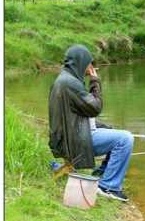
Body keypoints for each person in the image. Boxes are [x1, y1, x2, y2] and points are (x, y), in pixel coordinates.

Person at [48, 44, 133, 202]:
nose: (91, 66)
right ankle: (108, 187)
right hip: (74, 142)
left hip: (66, 139)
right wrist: (95, 82)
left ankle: (101, 173)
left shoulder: (64, 79)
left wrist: (103, 127)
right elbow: (95, 108)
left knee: (111, 130)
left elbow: (78, 114)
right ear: (80, 62)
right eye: (89, 62)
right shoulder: (70, 83)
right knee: (125, 139)